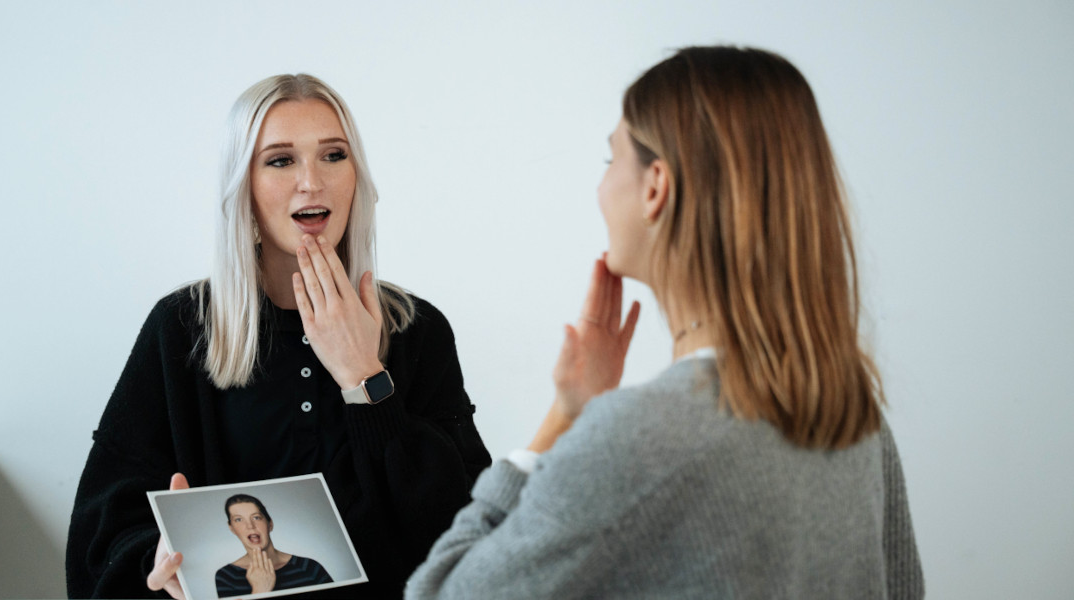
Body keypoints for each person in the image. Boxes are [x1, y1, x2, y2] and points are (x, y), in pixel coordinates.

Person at [405, 46, 924, 599]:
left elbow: (439, 592)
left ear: (656, 187)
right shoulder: (850, 410)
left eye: (611, 161)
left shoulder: (637, 437)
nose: (602, 188)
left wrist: (563, 421)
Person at [66, 74, 491, 599]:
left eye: (333, 155)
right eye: (281, 160)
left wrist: (364, 376)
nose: (311, 182)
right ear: (242, 185)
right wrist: (153, 558)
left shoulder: (417, 328)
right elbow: (100, 526)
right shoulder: (180, 328)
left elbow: (468, 527)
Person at [215, 494, 333, 597]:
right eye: (239, 519)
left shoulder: (309, 567)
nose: (250, 525)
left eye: (256, 517)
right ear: (232, 529)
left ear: (270, 524)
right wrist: (260, 591)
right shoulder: (226, 577)